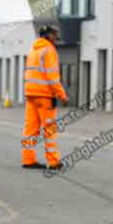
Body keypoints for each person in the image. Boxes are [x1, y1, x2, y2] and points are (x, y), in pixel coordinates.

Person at [21, 25, 68, 170]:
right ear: (48, 35)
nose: (56, 38)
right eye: (54, 35)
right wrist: (62, 95)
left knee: (31, 128)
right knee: (49, 129)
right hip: (44, 96)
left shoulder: (34, 50)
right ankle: (53, 162)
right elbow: (52, 77)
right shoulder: (49, 50)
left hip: (31, 94)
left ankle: (28, 160)